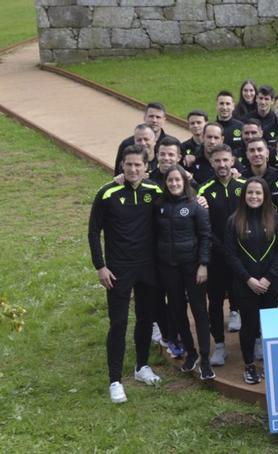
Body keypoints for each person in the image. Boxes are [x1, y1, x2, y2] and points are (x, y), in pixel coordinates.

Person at [90, 145, 166, 403]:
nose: (133, 169)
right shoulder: (107, 192)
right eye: (129, 164)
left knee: (145, 319)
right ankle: (115, 380)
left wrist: (199, 198)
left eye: (138, 165)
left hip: (148, 267)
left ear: (146, 168)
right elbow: (93, 231)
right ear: (122, 165)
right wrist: (100, 266)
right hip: (118, 269)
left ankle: (141, 367)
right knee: (119, 323)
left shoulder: (154, 190)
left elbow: (181, 195)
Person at [221, 177, 278, 384]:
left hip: (270, 284)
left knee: (270, 326)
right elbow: (230, 255)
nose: (254, 196)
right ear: (244, 195)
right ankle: (249, 365)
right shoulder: (234, 221)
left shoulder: (275, 218)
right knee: (248, 327)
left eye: (258, 193)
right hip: (245, 285)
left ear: (265, 196)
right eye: (250, 192)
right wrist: (248, 279)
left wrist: (268, 278)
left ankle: (270, 363)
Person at [153, 164, 214, 381]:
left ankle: (205, 360)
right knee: (177, 310)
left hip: (193, 268)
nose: (174, 183)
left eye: (178, 180)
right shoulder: (158, 205)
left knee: (199, 311)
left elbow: (205, 236)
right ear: (165, 183)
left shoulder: (196, 205)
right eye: (170, 180)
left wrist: (203, 264)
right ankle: (191, 352)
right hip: (169, 267)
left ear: (184, 182)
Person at [197, 144, 246, 366]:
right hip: (217, 257)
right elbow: (203, 227)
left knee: (246, 299)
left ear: (233, 161)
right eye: (217, 161)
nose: (222, 164)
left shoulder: (244, 186)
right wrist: (222, 248)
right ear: (211, 162)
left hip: (243, 255)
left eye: (226, 160)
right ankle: (219, 345)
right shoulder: (204, 191)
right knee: (215, 302)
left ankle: (254, 340)